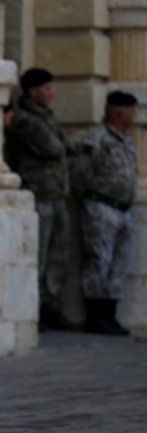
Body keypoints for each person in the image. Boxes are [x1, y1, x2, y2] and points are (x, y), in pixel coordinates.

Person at [4, 68, 73, 331]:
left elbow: (64, 145)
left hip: (56, 193)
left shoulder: (46, 117)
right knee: (39, 254)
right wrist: (63, 142)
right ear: (32, 92)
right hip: (39, 193)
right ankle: (34, 308)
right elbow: (54, 147)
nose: (51, 93)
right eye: (46, 88)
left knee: (59, 254)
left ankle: (50, 306)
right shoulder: (25, 120)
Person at [79, 91, 138, 336]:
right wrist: (92, 200)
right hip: (101, 208)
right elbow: (80, 174)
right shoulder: (97, 138)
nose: (135, 116)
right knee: (98, 260)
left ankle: (110, 314)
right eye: (132, 111)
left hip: (122, 210)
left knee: (118, 263)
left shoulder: (126, 141)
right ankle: (95, 315)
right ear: (119, 113)